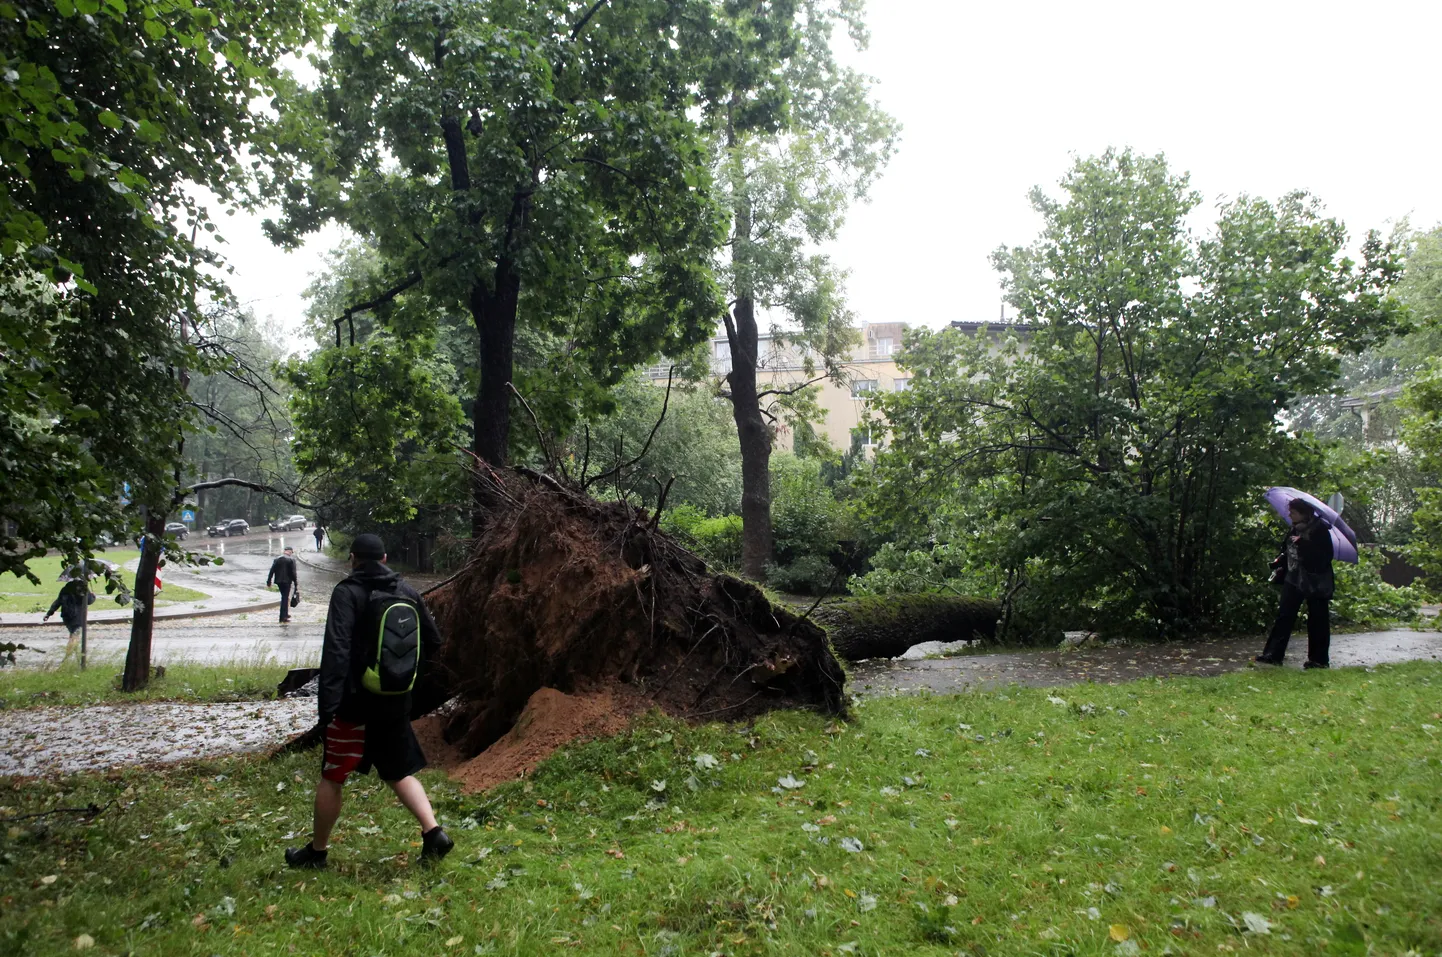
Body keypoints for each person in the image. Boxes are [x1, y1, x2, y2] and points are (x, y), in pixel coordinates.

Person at [284, 533, 452, 869]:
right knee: (398, 771)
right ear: (386, 559)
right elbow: (433, 642)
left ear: (352, 559)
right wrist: (404, 681)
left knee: (333, 775)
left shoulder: (347, 593)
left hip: (354, 705)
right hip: (394, 702)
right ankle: (434, 833)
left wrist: (327, 709)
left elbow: (336, 651)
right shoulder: (407, 592)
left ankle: (317, 853)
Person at [1256, 498, 1334, 669]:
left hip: (1315, 581)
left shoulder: (1320, 530)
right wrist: (1279, 561)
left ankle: (1318, 660)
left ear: (1303, 513)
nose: (1290, 514)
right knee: (1284, 615)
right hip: (1294, 578)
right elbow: (1287, 549)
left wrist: (1304, 544)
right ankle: (1273, 655)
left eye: (1293, 512)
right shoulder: (1294, 528)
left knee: (1318, 619)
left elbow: (1324, 557)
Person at [43, 579, 93, 664]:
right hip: (78, 617)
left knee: (73, 635)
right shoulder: (82, 588)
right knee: (75, 636)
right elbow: (89, 601)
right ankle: (68, 658)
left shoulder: (65, 589)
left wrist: (49, 613)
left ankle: (77, 657)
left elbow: (58, 601)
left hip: (67, 617)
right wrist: (93, 595)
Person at [266, 546, 298, 624]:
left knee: (284, 597)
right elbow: (293, 572)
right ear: (290, 552)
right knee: (285, 598)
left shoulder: (277, 559)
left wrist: (269, 581)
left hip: (279, 581)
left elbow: (272, 570)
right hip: (287, 582)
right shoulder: (291, 560)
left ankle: (285, 614)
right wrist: (296, 582)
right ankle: (282, 617)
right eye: (291, 552)